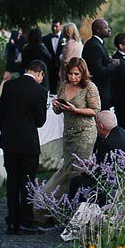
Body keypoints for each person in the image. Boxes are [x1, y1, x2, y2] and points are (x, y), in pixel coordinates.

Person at [0, 60, 47, 235]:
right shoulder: (40, 91)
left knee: (12, 181)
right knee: (27, 181)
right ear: (39, 73)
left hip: (9, 140)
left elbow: (1, 114)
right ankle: (26, 221)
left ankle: (12, 220)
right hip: (28, 143)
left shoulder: (9, 86)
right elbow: (40, 121)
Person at [40, 57, 99, 199]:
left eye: (77, 74)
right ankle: (62, 200)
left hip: (85, 132)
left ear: (83, 74)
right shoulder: (63, 85)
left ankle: (78, 200)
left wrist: (76, 110)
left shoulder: (89, 87)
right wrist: (57, 107)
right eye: (70, 74)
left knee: (79, 169)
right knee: (67, 166)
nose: (73, 77)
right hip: (68, 132)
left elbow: (95, 110)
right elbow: (58, 111)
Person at [82, 18, 113, 109]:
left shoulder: (97, 44)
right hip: (99, 90)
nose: (109, 29)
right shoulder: (94, 46)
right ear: (98, 30)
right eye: (106, 27)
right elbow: (98, 71)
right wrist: (113, 65)